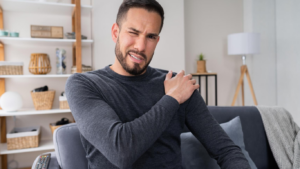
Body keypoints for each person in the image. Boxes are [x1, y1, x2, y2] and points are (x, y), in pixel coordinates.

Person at [65, 0, 251, 168]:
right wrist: (172, 99)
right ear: (116, 32)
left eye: (150, 37)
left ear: (157, 40)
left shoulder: (178, 84)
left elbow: (227, 150)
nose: (140, 46)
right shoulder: (84, 85)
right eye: (133, 32)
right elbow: (121, 152)